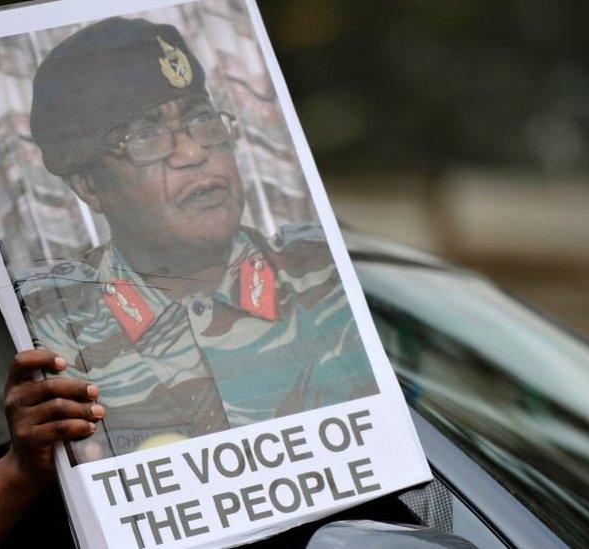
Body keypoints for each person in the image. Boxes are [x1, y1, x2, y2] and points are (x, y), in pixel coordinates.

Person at [19, 16, 378, 461]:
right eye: (147, 135)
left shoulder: (331, 272)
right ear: (89, 185)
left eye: (201, 119)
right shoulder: (54, 326)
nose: (193, 152)